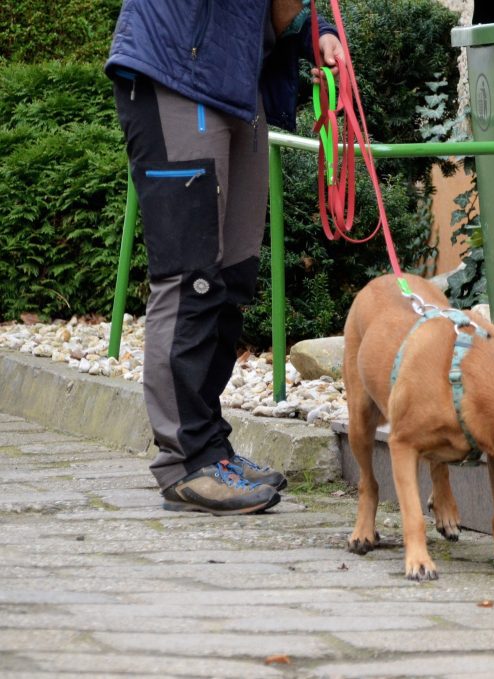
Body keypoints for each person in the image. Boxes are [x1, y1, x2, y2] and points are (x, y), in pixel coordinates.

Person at [106, 1, 343, 515]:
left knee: (231, 277)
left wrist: (315, 32)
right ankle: (184, 462)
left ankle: (211, 447)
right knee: (190, 277)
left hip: (238, 84)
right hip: (176, 71)